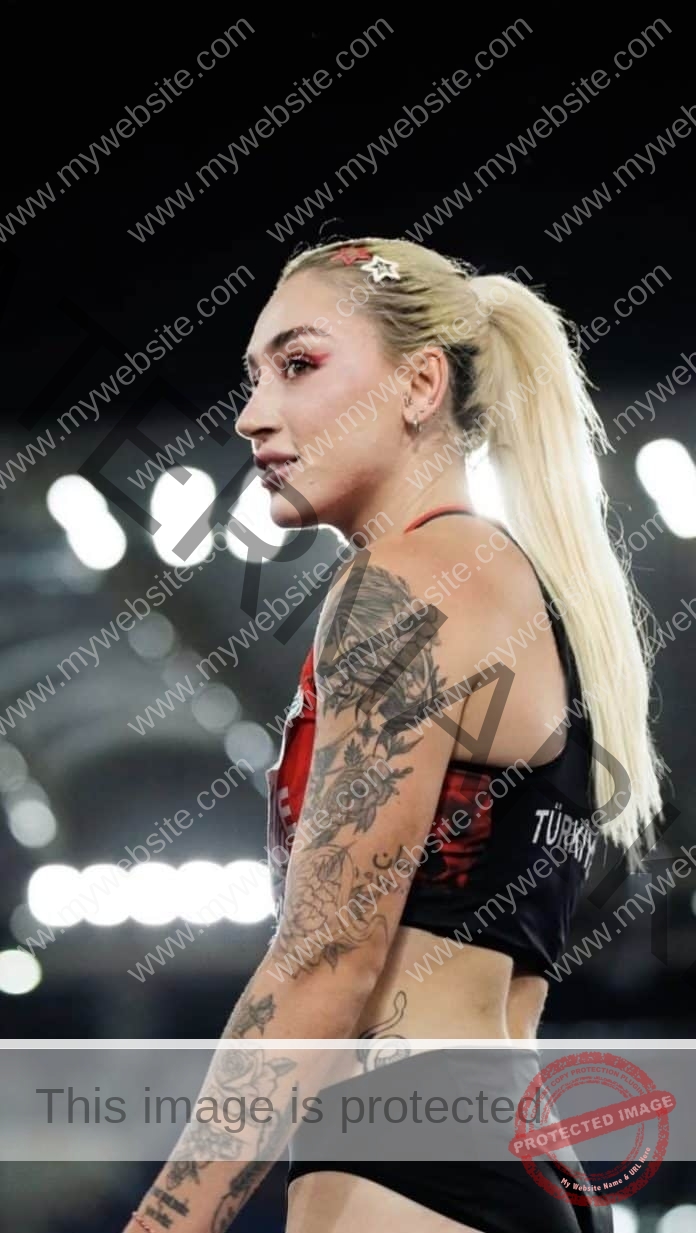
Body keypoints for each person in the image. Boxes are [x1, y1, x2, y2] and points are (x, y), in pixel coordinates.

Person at [124, 238, 666, 1233]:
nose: (253, 414)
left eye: (299, 365)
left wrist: (168, 1222)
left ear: (420, 383)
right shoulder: (507, 583)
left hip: (407, 1161)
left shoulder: (409, 584)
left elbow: (327, 955)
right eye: (252, 378)